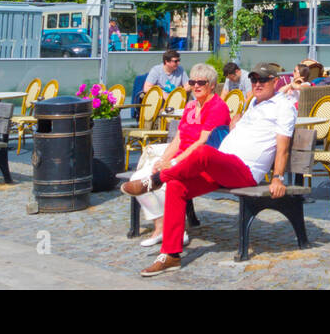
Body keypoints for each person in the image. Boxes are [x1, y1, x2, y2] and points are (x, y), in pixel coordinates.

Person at [121, 62, 296, 277]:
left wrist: (277, 177)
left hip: (245, 171)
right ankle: (171, 254)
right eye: (254, 80)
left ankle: (155, 180)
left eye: (263, 80)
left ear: (275, 81)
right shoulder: (254, 104)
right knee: (177, 186)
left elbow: (283, 147)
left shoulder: (283, 106)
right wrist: (236, 125)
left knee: (203, 152)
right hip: (224, 166)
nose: (257, 84)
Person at [127, 64, 231, 248]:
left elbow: (202, 143)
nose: (196, 86)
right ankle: (161, 226)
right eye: (192, 82)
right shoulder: (191, 105)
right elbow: (179, 138)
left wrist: (174, 162)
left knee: (163, 181)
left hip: (201, 161)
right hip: (181, 156)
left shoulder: (217, 107)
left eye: (201, 82)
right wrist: (163, 160)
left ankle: (175, 229)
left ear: (212, 85)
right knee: (139, 177)